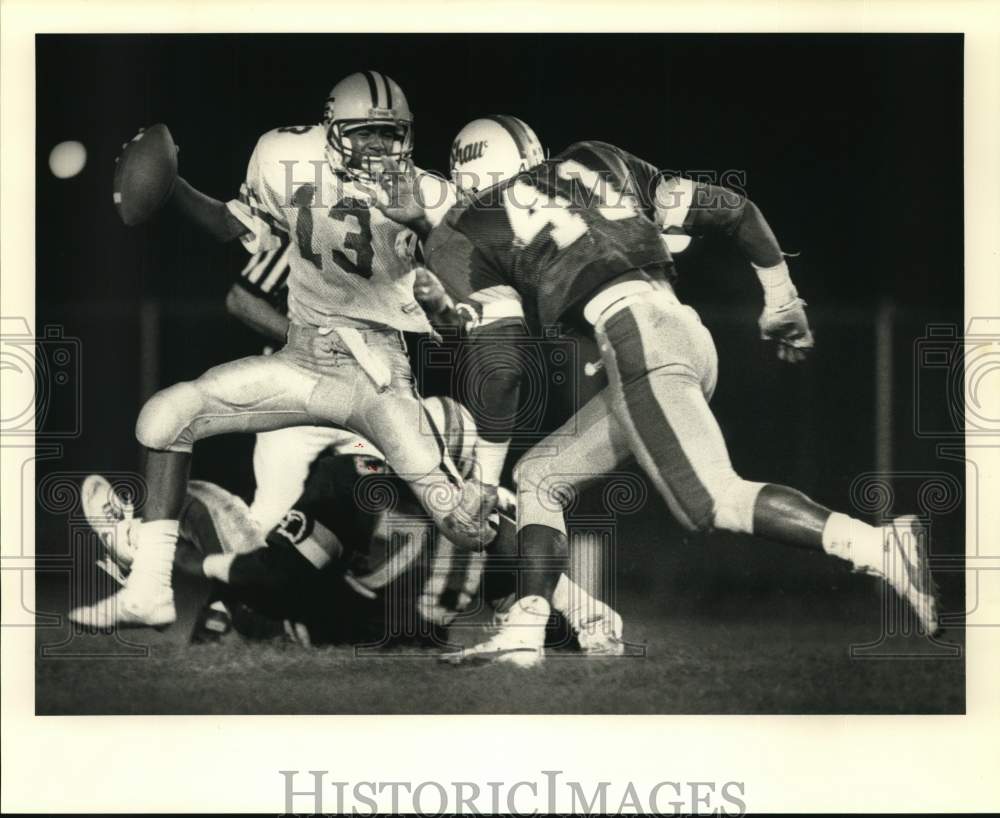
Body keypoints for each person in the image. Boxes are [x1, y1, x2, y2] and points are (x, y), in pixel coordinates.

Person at [371, 116, 940, 667]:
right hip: (683, 333)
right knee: (542, 477)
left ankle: (876, 547)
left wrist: (482, 481)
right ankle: (529, 632)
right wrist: (781, 299)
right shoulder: (593, 158)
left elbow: (499, 371)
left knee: (713, 501)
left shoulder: (464, 231)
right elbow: (735, 209)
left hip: (635, 339)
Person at [69, 71, 492, 631]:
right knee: (167, 417)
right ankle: (149, 591)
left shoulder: (431, 194)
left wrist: (419, 222)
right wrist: (173, 190)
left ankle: (549, 607)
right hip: (303, 366)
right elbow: (229, 225)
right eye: (364, 133)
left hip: (379, 379)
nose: (377, 147)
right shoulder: (283, 156)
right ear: (330, 129)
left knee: (461, 522)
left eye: (390, 135)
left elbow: (469, 307)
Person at [78, 397, 623, 654]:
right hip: (412, 643)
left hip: (308, 626)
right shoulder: (495, 521)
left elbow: (280, 579)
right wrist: (583, 624)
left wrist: (192, 565)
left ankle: (136, 550)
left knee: (196, 501)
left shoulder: (358, 480)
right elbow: (532, 601)